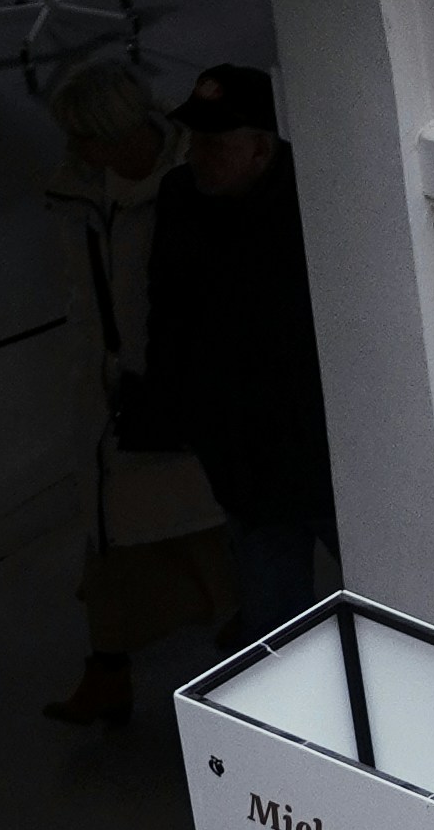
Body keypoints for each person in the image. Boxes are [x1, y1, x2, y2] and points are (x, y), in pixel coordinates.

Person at [114, 65, 335, 639]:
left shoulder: (312, 199)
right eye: (194, 140)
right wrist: (174, 410)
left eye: (215, 142)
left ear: (261, 148)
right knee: (278, 630)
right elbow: (168, 315)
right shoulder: (182, 198)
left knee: (399, 603)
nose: (196, 155)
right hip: (246, 470)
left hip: (325, 457)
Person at [43, 63, 233, 730]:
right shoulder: (80, 190)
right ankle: (108, 671)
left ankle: (240, 652)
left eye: (86, 137)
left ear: (119, 133)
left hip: (180, 388)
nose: (78, 152)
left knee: (202, 525)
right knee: (114, 534)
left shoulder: (190, 179)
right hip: (113, 396)